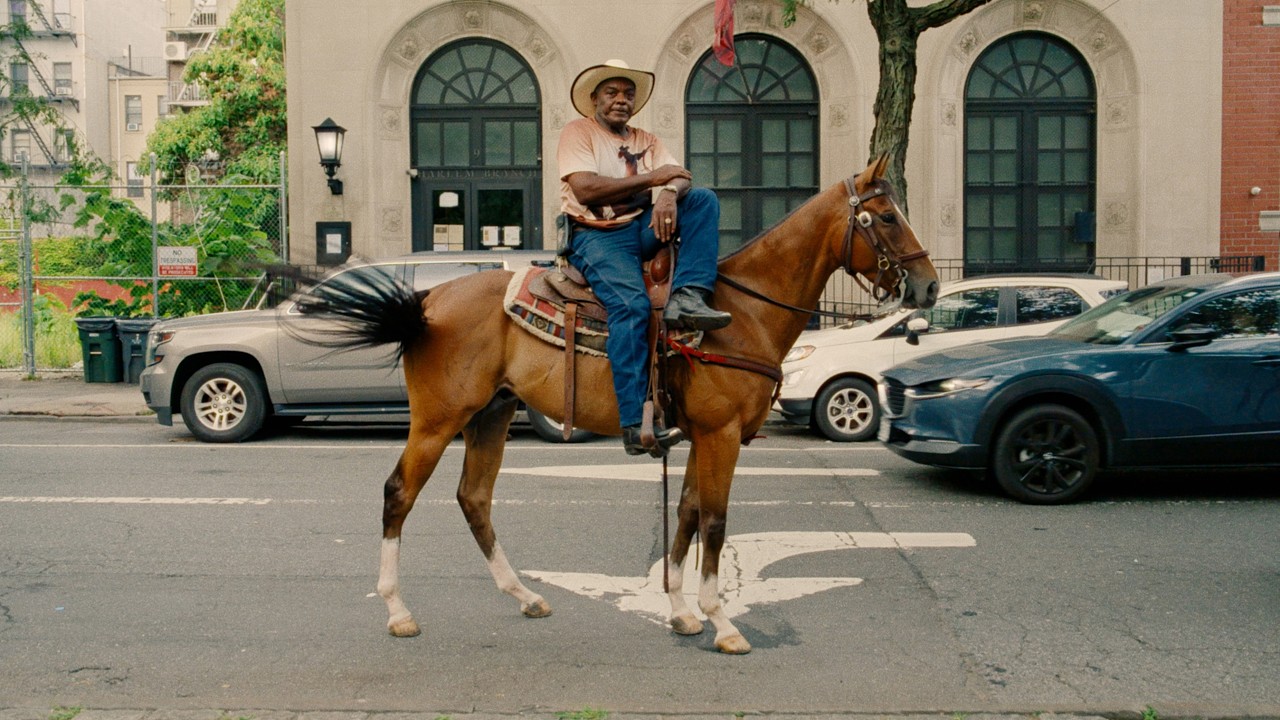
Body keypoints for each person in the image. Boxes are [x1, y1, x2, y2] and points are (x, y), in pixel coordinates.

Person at [558, 59, 731, 457]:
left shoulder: (647, 139)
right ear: (594, 99)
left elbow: (680, 173)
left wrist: (669, 193)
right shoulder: (578, 132)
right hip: (596, 237)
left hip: (639, 228)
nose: (621, 100)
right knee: (631, 306)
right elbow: (585, 189)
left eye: (628, 94)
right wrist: (656, 179)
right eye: (612, 93)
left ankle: (689, 295)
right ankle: (635, 424)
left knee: (701, 199)